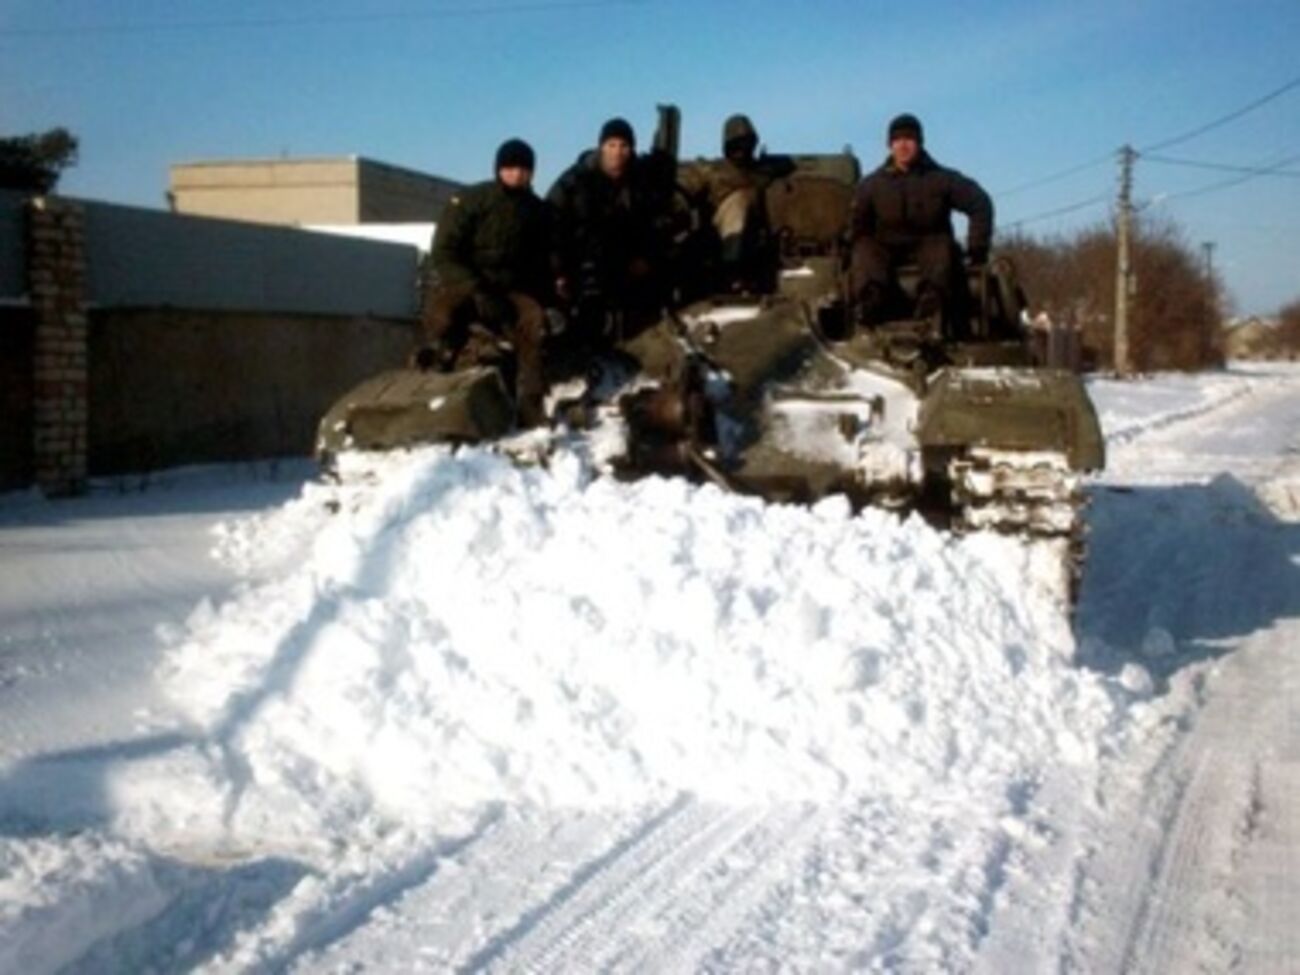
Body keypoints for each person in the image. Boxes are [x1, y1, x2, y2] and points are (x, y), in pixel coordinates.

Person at [421, 138, 553, 427]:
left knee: (534, 322)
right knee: (443, 316)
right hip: (466, 282)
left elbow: (544, 261)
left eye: (523, 169)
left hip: (512, 290)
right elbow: (444, 251)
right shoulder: (471, 200)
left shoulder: (538, 211)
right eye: (509, 167)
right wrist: (474, 288)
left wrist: (548, 298)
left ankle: (531, 403)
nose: (516, 174)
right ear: (498, 169)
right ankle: (433, 370)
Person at [850, 113, 993, 331]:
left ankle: (931, 302)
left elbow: (980, 203)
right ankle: (871, 301)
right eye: (898, 140)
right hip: (885, 251)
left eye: (909, 139)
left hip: (930, 248)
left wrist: (977, 250)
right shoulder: (871, 185)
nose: (903, 146)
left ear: (919, 143)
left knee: (939, 245)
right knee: (865, 248)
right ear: (890, 145)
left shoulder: (942, 179)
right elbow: (857, 225)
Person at [547, 117, 667, 346]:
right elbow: (550, 227)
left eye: (624, 146)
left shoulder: (639, 182)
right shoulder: (573, 182)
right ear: (601, 147)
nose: (617, 152)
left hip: (623, 257)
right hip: (580, 261)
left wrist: (646, 257)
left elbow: (654, 223)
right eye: (611, 145)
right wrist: (558, 272)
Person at [678, 114, 795, 292]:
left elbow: (786, 166)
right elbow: (686, 190)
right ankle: (731, 271)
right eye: (736, 144)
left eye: (747, 143)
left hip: (758, 235)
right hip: (721, 233)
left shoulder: (762, 172)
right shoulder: (712, 171)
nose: (742, 149)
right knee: (739, 202)